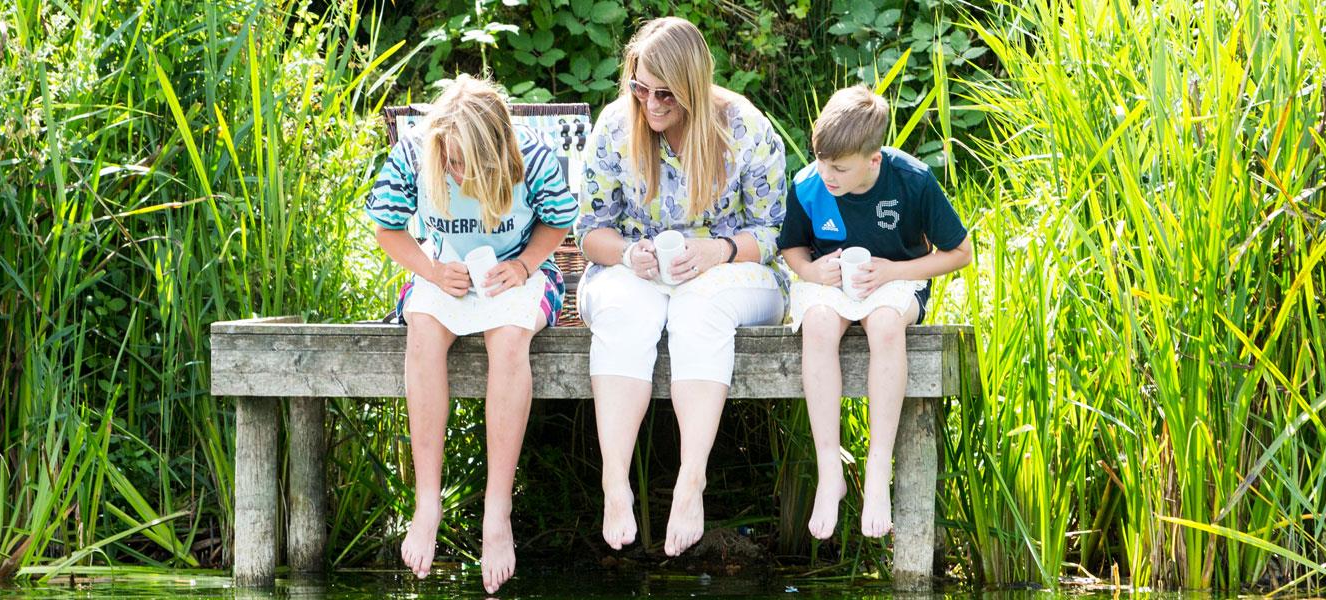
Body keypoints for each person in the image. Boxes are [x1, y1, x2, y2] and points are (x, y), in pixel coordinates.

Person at [575, 16, 788, 557]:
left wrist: (718, 251)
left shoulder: (744, 129)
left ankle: (692, 481)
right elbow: (588, 232)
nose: (650, 103)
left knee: (699, 304)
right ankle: (615, 482)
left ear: (693, 86)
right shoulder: (616, 127)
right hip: (637, 271)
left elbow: (773, 232)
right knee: (625, 308)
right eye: (640, 89)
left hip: (733, 273)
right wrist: (628, 253)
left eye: (664, 93)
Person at [365, 74, 578, 593]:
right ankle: (427, 502)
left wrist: (525, 266)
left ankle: (497, 511)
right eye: (452, 160)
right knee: (422, 329)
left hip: (519, 273)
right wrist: (433, 272)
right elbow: (387, 229)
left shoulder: (533, 157)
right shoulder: (417, 153)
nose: (458, 172)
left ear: (500, 149)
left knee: (509, 337)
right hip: (444, 270)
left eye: (469, 163)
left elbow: (558, 223)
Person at [777, 85, 972, 540]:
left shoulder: (913, 180)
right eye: (822, 161)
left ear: (873, 159)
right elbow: (791, 248)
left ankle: (878, 466)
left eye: (839, 168)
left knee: (885, 325)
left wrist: (894, 271)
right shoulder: (809, 184)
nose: (827, 174)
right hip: (832, 284)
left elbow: (960, 253)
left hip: (897, 278)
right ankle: (831, 471)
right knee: (820, 324)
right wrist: (811, 269)